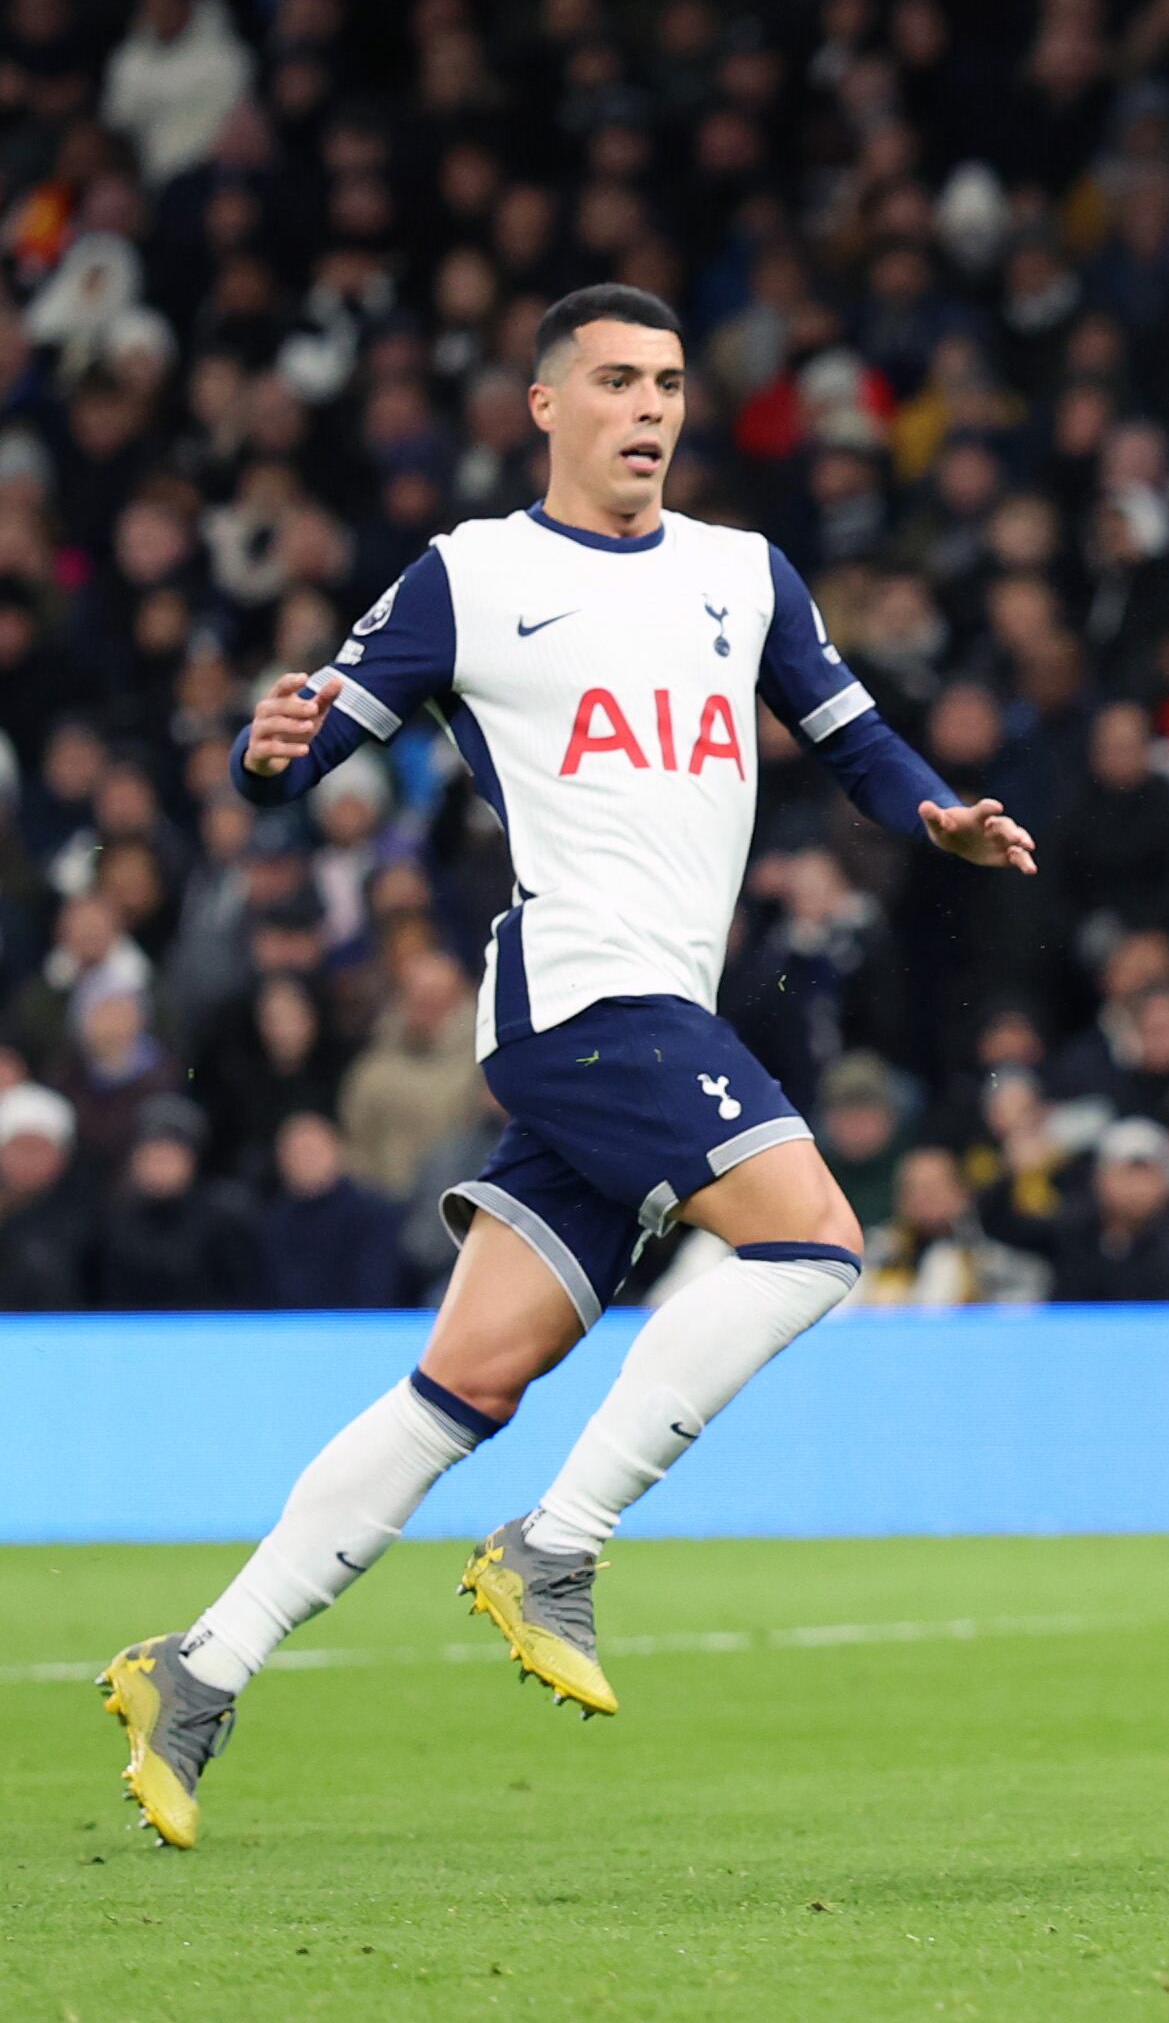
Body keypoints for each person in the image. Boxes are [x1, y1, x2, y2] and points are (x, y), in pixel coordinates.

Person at [100, 286, 1037, 1849]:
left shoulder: (744, 572)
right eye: (614, 380)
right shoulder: (473, 574)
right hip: (580, 995)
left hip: (654, 1011)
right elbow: (310, 744)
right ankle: (556, 1542)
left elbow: (853, 735)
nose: (648, 406)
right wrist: (266, 756)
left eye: (666, 381)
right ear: (547, 405)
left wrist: (934, 810)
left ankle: (198, 1665)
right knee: (815, 1239)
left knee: (465, 1381)